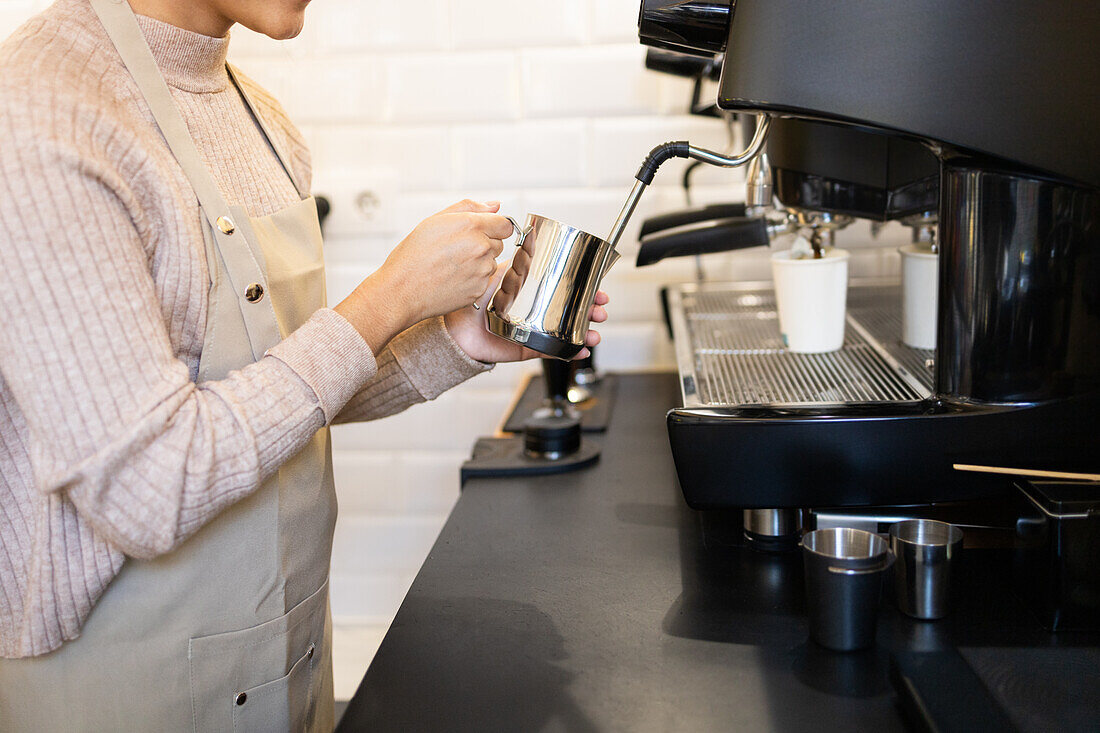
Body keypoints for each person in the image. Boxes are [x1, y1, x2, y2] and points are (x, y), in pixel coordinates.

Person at [0, 0, 609, 730]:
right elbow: (147, 487)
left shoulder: (261, 118)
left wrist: (458, 340)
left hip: (286, 652)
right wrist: (389, 297)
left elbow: (279, 387)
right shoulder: (42, 116)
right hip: (133, 680)